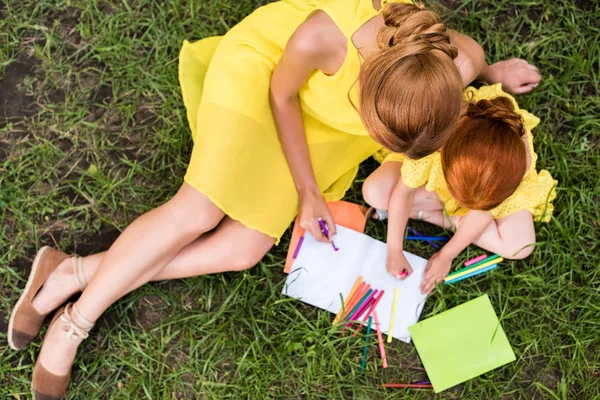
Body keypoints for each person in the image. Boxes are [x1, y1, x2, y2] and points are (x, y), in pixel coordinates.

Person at [7, 1, 541, 398]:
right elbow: (282, 94)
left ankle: (75, 271)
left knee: (241, 250)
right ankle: (73, 324)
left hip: (331, 133)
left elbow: (473, 55)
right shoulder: (324, 37)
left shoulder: (458, 62)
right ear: (368, 89)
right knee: (199, 211)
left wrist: (495, 74)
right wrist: (307, 191)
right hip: (266, 80)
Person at [362, 84, 556, 294]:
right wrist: (394, 249)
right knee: (374, 192)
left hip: (478, 193)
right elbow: (403, 191)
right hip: (442, 183)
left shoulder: (515, 163)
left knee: (520, 246)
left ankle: (429, 215)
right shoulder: (432, 144)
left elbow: (483, 212)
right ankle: (452, 220)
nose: (459, 205)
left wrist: (447, 254)